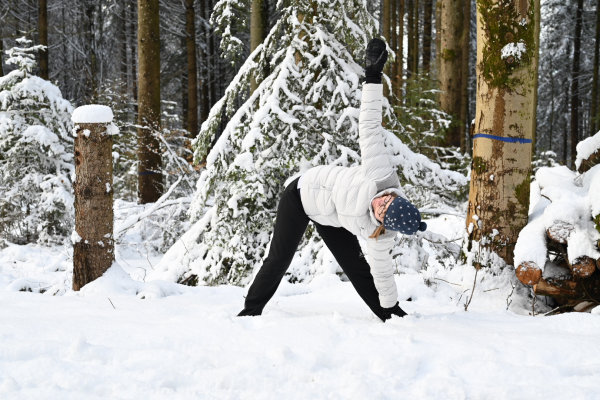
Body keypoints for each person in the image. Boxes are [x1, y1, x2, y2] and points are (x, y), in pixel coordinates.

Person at [237, 38, 427, 322]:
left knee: (358, 268)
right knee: (279, 259)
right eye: (386, 201)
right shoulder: (381, 174)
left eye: (382, 213)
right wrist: (372, 77)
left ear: (386, 224)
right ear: (393, 195)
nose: (379, 204)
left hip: (333, 218)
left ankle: (391, 316)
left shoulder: (381, 236)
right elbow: (370, 126)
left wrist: (391, 303)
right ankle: (250, 312)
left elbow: (383, 272)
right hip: (303, 195)